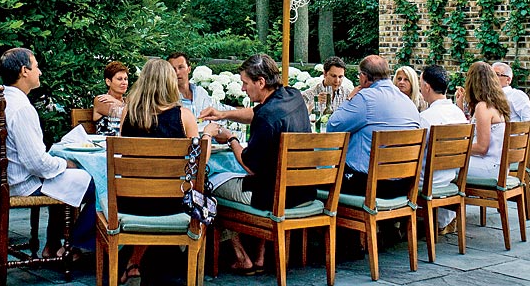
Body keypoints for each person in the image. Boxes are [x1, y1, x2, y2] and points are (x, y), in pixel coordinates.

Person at [199, 54, 312, 275]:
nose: (242, 89)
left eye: (245, 83)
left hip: (275, 197)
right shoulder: (293, 96)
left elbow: (250, 166)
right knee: (265, 175)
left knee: (207, 182)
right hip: (304, 192)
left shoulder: (266, 118)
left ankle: (242, 257)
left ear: (260, 82)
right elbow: (257, 113)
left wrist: (231, 139)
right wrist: (224, 114)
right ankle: (260, 256)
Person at [0, 47, 95, 259]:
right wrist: (65, 163)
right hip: (22, 185)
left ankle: (53, 244)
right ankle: (76, 245)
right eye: (37, 66)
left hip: (1, 181)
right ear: (25, 71)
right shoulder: (21, 108)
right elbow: (37, 164)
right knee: (95, 184)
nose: (39, 72)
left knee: (66, 181)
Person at [118, 58, 202, 283]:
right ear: (169, 83)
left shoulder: (128, 114)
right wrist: (209, 137)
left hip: (130, 201)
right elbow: (198, 161)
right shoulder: (184, 116)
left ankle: (132, 260)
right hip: (172, 204)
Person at [327, 55, 421, 197]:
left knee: (317, 182)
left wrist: (349, 98)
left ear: (364, 77)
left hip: (370, 185)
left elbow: (333, 127)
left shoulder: (365, 98)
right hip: (404, 184)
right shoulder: (408, 102)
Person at [418, 65, 468, 234]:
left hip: (426, 182)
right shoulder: (459, 115)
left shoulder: (425, 118)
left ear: (426, 86)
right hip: (450, 178)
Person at [455, 62, 510, 179]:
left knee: (444, 164)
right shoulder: (496, 103)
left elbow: (481, 148)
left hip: (489, 167)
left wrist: (455, 148)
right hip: (498, 166)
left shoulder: (483, 107)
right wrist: (460, 108)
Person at [167, 52, 234, 119]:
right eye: (173, 69)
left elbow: (220, 108)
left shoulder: (200, 92)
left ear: (189, 69)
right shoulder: (168, 100)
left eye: (181, 67)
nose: (177, 72)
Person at [92, 61, 129, 135]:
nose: (124, 82)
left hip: (125, 143)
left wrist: (117, 102)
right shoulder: (101, 100)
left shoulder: (127, 101)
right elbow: (127, 114)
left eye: (125, 79)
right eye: (119, 79)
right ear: (108, 82)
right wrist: (121, 104)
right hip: (104, 143)